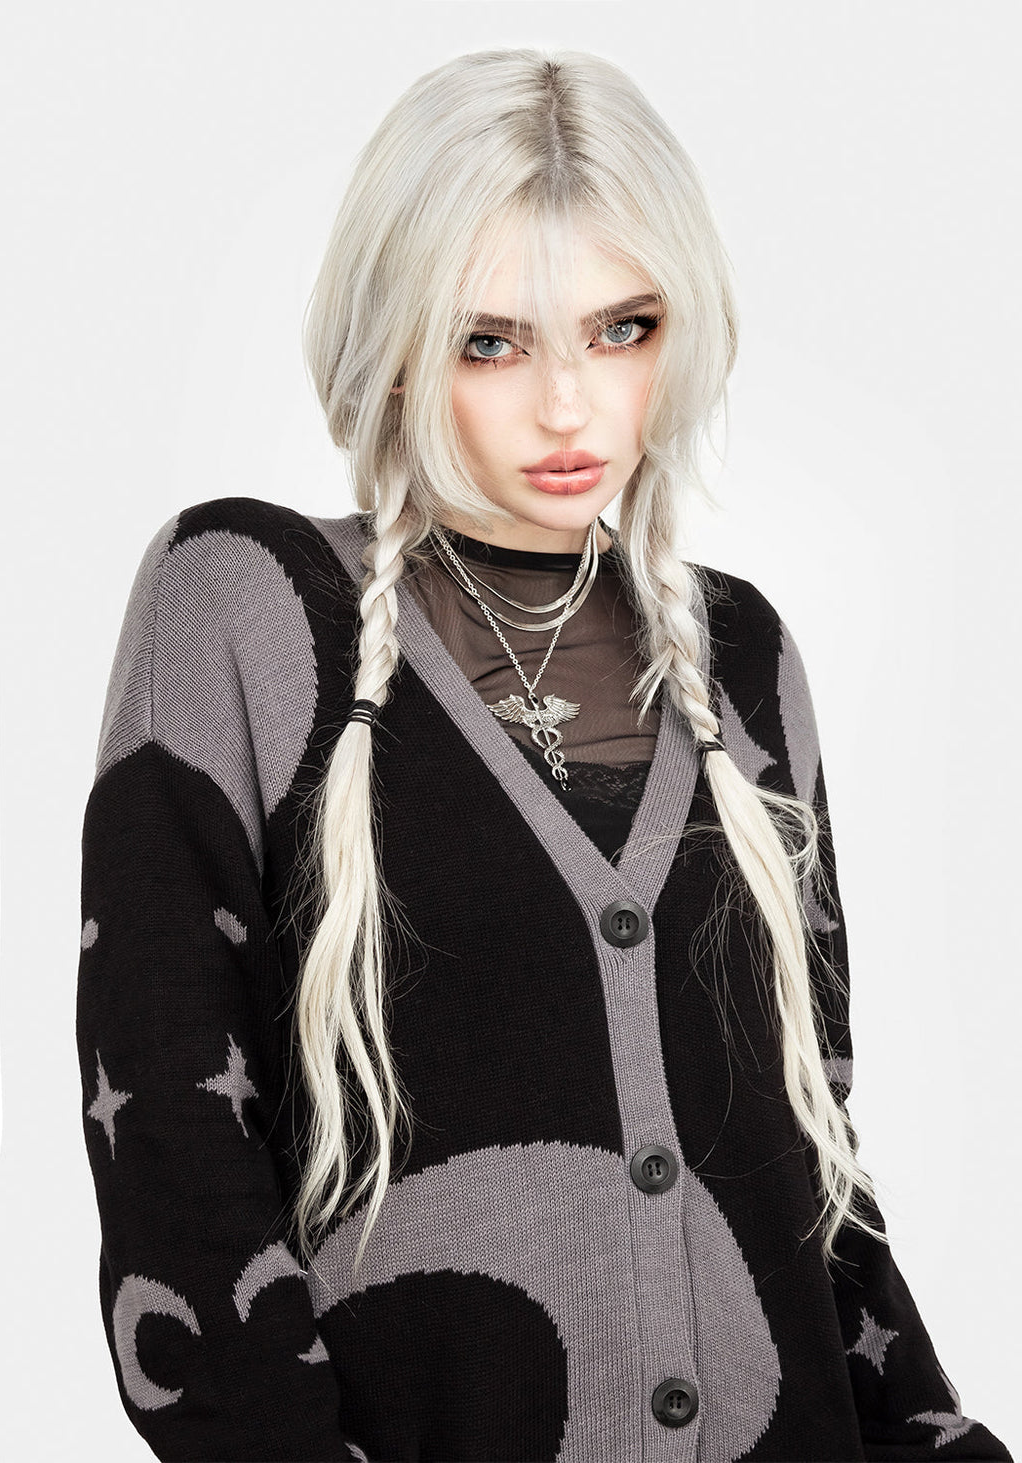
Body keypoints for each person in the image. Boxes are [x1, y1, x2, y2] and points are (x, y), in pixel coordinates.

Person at [75, 47, 1012, 1463]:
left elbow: (815, 1179)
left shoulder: (740, 654)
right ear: (396, 342)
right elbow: (174, 1149)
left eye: (622, 329)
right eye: (492, 343)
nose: (570, 408)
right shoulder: (249, 603)